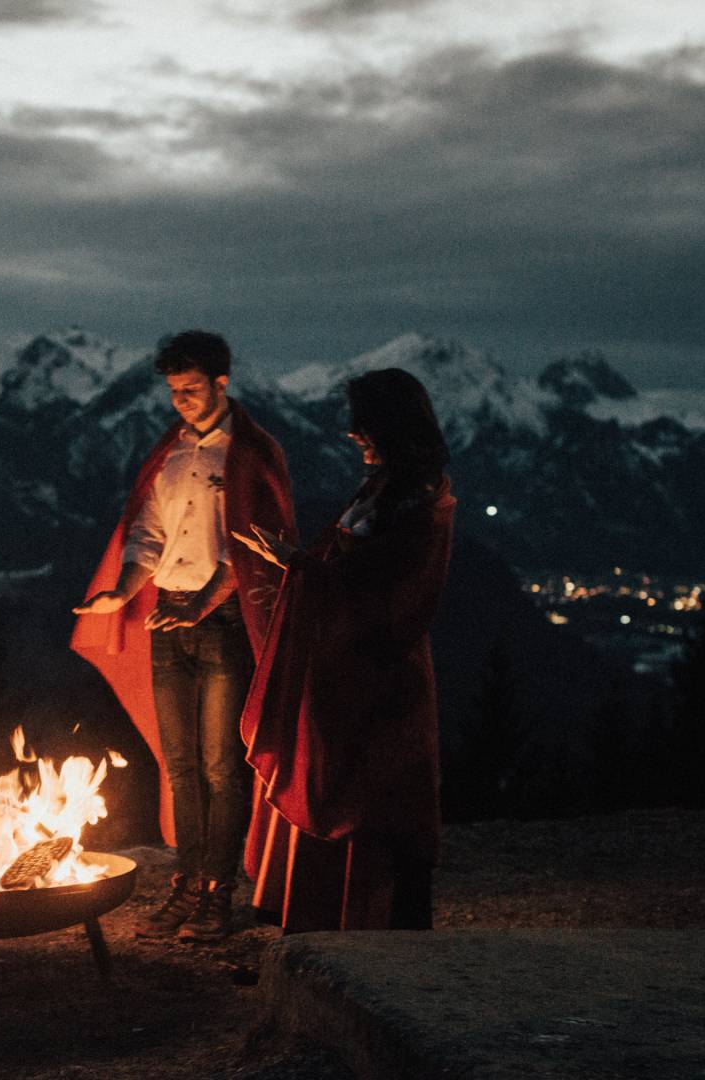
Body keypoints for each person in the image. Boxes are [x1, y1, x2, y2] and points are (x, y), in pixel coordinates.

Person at [71, 330, 295, 942]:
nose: (181, 403)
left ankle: (219, 893)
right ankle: (188, 883)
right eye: (173, 393)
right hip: (169, 616)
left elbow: (253, 550)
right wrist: (122, 590)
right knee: (179, 767)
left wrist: (202, 604)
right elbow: (146, 533)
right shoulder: (169, 454)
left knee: (222, 766)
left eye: (191, 390)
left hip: (223, 621)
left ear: (222, 383)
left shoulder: (250, 453)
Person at [234, 366, 454, 932]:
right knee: (330, 785)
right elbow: (352, 569)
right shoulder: (384, 486)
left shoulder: (423, 501)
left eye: (364, 422)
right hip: (342, 672)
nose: (353, 432)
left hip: (380, 686)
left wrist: (302, 570)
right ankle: (319, 931)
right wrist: (298, 568)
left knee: (366, 803)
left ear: (391, 425)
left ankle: (372, 935)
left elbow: (395, 595)